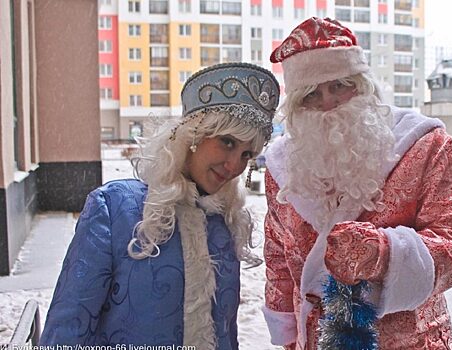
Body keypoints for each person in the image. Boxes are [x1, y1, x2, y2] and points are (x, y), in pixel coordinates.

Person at [262, 17, 452, 350]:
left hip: (411, 341)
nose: (328, 102)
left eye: (340, 85)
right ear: (296, 105)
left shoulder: (424, 144)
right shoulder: (283, 164)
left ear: (364, 85)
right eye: (311, 93)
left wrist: (386, 253)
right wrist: (287, 336)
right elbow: (278, 258)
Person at [39, 62, 280, 348]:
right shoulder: (115, 209)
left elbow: (226, 334)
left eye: (246, 154)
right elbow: (67, 329)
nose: (234, 166)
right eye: (227, 142)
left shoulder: (225, 222)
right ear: (193, 135)